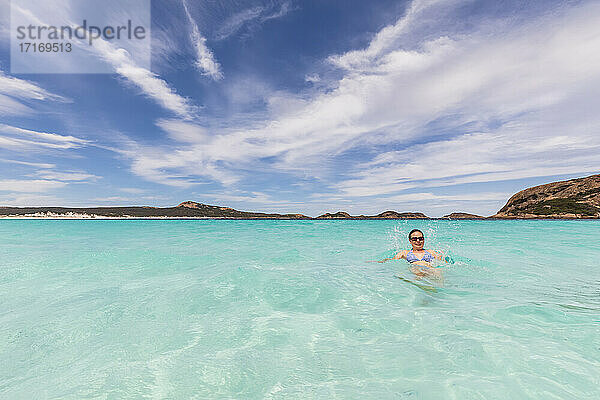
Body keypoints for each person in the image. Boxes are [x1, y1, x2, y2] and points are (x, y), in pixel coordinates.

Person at [377, 229, 444, 278]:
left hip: (430, 271)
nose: (418, 241)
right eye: (415, 239)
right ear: (410, 241)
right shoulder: (405, 253)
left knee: (438, 272)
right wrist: (380, 261)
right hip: (416, 272)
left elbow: (443, 262)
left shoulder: (431, 252)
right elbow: (392, 260)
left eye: (421, 238)